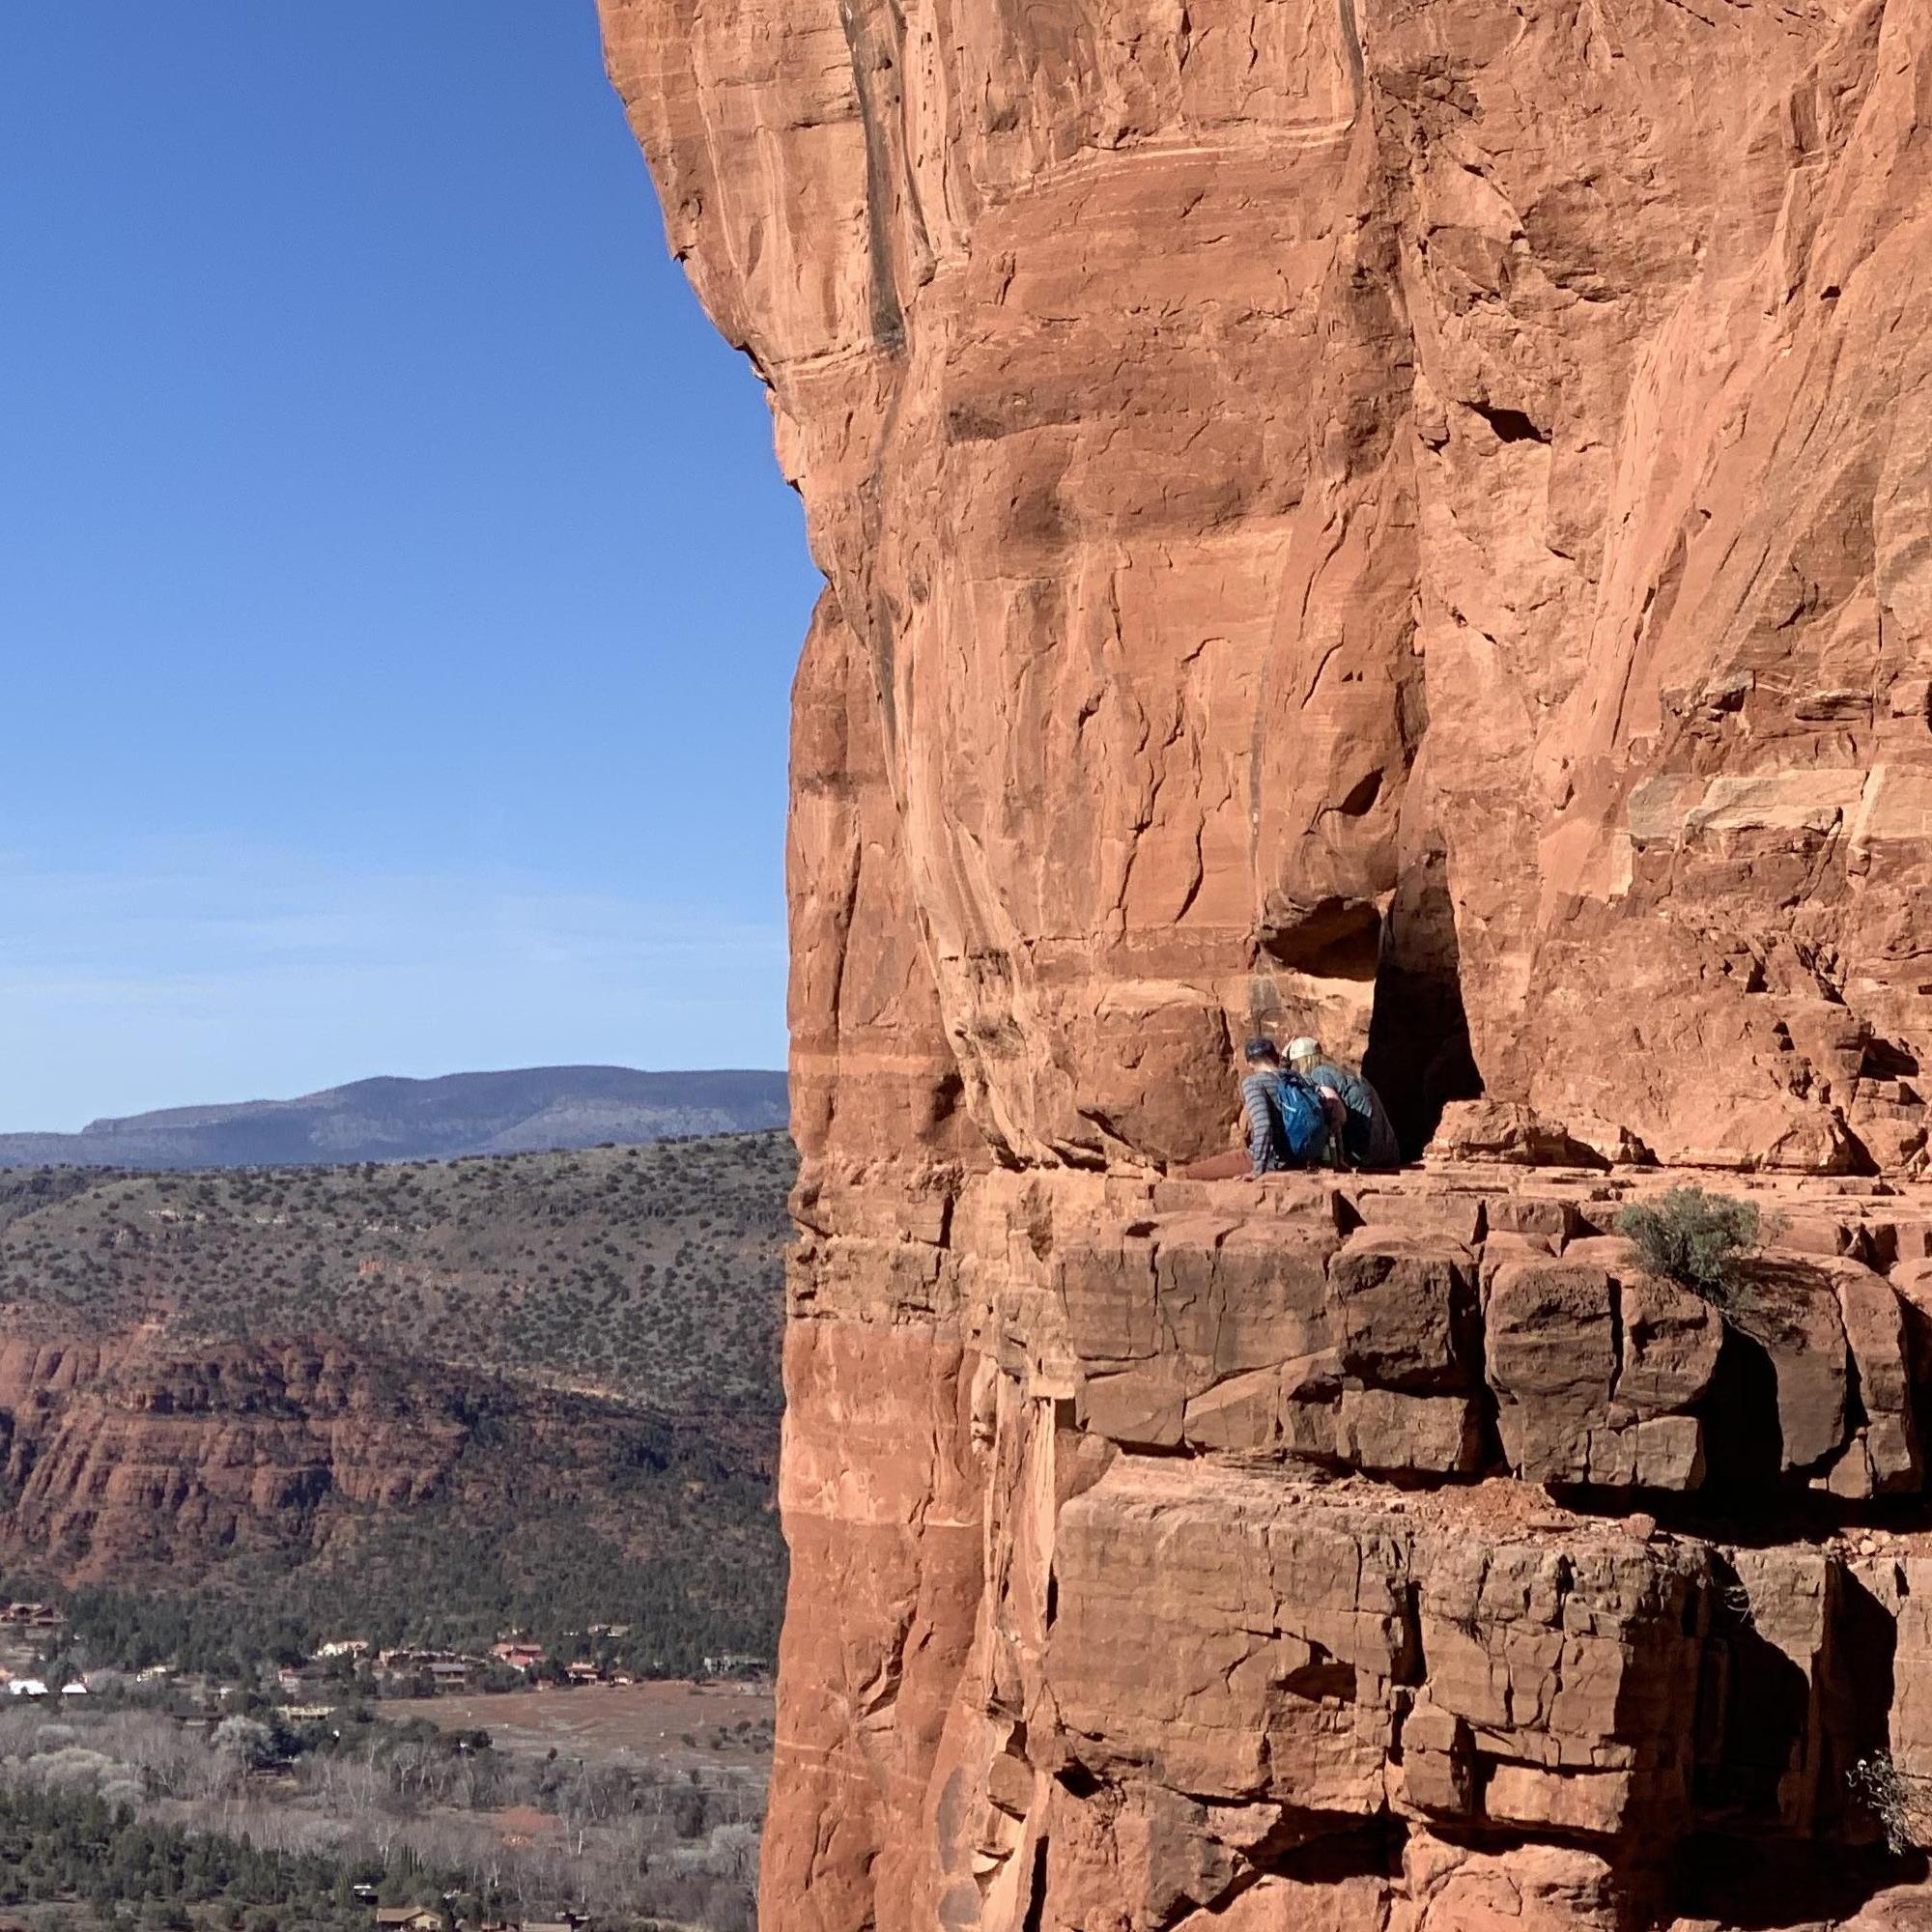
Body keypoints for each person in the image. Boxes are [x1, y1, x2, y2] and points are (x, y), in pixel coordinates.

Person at [1287, 1036, 1402, 1170]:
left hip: (1365, 1152)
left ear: (1302, 1062)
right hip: (1387, 1149)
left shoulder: (1320, 1074)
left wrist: (1335, 1156)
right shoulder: (1346, 1072)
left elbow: (1339, 1115)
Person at [1238, 1037, 1329, 1176]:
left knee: (1194, 1172)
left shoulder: (1254, 1083)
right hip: (1301, 1159)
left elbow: (1263, 1126)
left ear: (1250, 1063)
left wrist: (1257, 1170)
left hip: (1272, 1161)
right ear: (1275, 1057)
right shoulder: (1301, 1078)